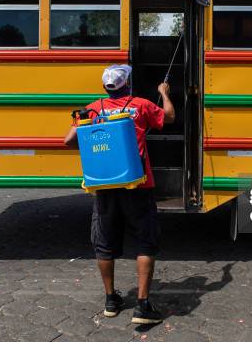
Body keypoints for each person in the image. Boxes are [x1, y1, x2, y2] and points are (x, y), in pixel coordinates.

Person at [64, 64, 175, 324]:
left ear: (105, 87)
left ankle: (111, 300)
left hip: (104, 186)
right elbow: (169, 116)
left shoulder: (91, 109)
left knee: (104, 243)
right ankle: (143, 306)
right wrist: (164, 92)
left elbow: (68, 140)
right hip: (138, 185)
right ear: (128, 84)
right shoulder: (141, 105)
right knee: (145, 241)